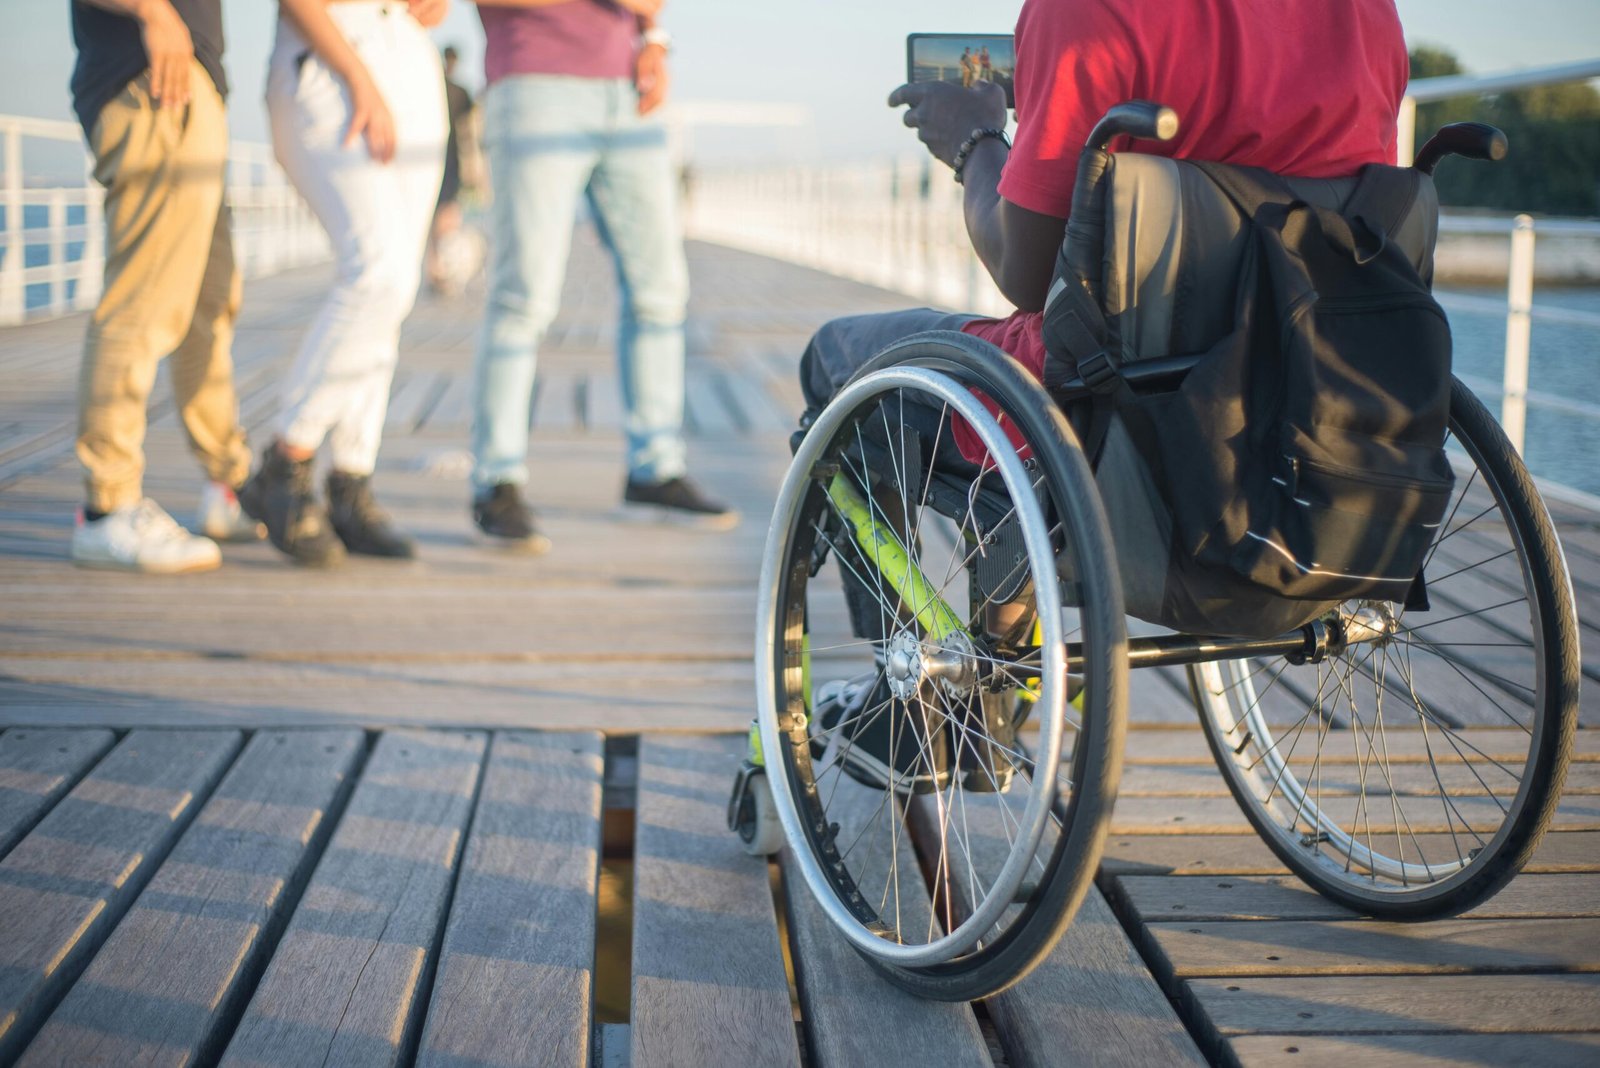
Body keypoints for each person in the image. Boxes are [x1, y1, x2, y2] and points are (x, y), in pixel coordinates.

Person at [800, 0, 1410, 787]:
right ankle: (1002, 632)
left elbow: (1023, 274)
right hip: (1303, 408)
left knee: (836, 362)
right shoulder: (1367, 12)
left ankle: (919, 701)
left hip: (1112, 411)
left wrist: (976, 140)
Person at [467, 0, 736, 552]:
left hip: (627, 89)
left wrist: (655, 40)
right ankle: (496, 481)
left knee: (661, 291)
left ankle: (654, 470)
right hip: (536, 85)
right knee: (524, 297)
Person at [238, 0, 450, 566]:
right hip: (334, 57)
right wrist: (361, 79)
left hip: (408, 54)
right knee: (377, 271)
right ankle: (287, 461)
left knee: (397, 288)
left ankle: (351, 481)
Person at [68, 0, 262, 574]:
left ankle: (226, 485)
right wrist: (153, 12)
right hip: (150, 75)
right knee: (142, 301)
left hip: (190, 82)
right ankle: (108, 509)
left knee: (209, 303)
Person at [425, 44, 478, 295]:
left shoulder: (432, 86)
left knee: (434, 216)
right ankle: (444, 272)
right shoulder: (460, 91)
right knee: (448, 216)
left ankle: (436, 270)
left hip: (429, 155)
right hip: (452, 157)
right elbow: (470, 131)